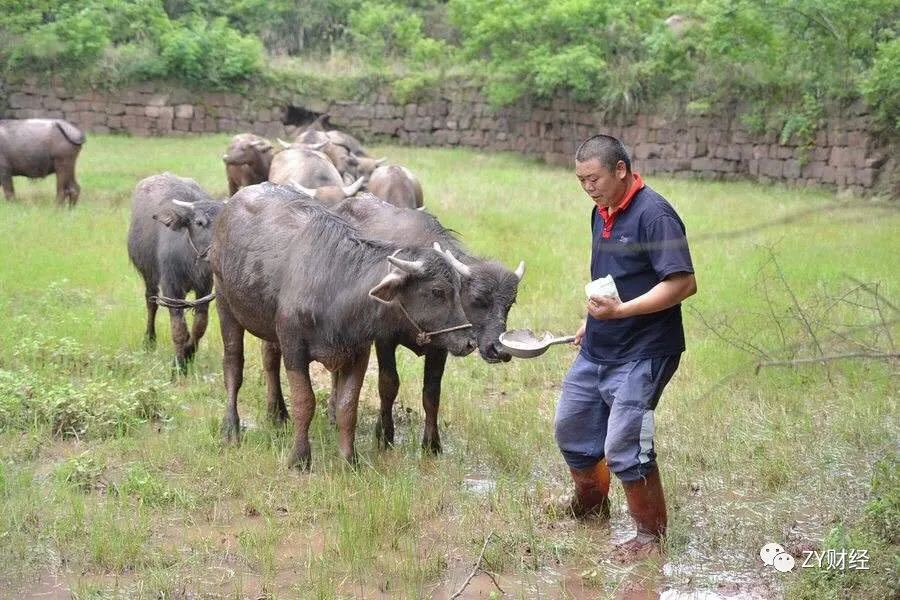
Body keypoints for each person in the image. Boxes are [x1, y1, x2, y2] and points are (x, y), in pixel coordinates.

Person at [554, 134, 697, 562]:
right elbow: (611, 276)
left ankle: (650, 537)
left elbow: (684, 283)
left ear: (621, 170)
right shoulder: (601, 213)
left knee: (624, 445)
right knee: (573, 430)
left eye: (593, 178)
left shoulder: (655, 215)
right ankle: (591, 506)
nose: (588, 187)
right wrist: (591, 318)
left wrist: (623, 312)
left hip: (646, 349)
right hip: (600, 344)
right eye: (581, 180)